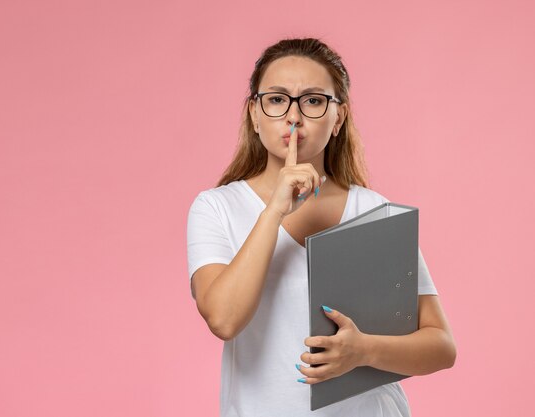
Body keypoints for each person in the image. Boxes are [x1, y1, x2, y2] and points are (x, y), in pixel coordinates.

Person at [186, 38, 456, 417]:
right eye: (277, 99)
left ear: (338, 118)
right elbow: (224, 319)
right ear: (254, 114)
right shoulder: (217, 208)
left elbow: (441, 346)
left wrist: (364, 350)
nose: (293, 117)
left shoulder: (374, 210)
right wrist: (274, 211)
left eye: (313, 101)